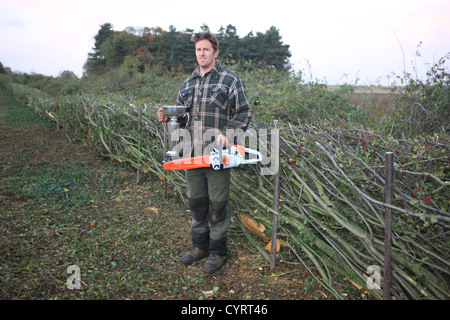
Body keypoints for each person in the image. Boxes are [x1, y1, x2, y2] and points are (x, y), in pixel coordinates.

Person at [158, 31, 252, 274]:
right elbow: (181, 119)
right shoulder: (187, 84)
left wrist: (227, 133)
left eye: (206, 49)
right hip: (191, 154)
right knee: (197, 202)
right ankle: (199, 247)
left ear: (215, 52)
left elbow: (244, 113)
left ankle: (218, 252)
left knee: (218, 204)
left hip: (217, 155)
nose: (201, 53)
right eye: (198, 50)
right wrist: (168, 118)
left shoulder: (230, 80)